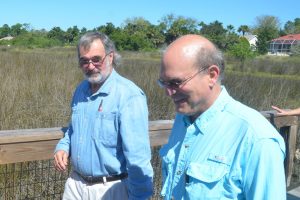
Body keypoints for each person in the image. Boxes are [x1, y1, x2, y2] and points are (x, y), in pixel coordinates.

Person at [158, 34, 286, 199]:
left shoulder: (257, 139)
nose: (169, 92)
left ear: (212, 75)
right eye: (163, 82)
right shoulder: (182, 119)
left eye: (176, 82)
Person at [53, 32, 153, 200]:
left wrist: (140, 197)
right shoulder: (81, 90)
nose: (90, 66)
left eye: (96, 59)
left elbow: (138, 158)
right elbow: (73, 129)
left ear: (110, 57)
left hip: (111, 189)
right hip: (75, 185)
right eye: (84, 61)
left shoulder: (129, 95)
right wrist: (63, 146)